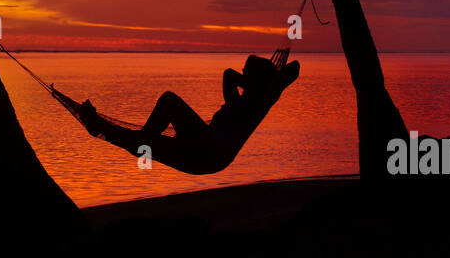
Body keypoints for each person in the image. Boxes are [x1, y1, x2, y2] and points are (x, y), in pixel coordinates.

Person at [76, 54, 301, 174]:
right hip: (201, 152)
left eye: (246, 73)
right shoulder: (238, 103)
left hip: (208, 151)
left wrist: (260, 84)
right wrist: (248, 81)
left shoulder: (260, 102)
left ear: (257, 79)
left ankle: (141, 141)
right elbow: (228, 74)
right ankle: (98, 127)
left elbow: (294, 68)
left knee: (169, 100)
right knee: (145, 142)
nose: (241, 76)